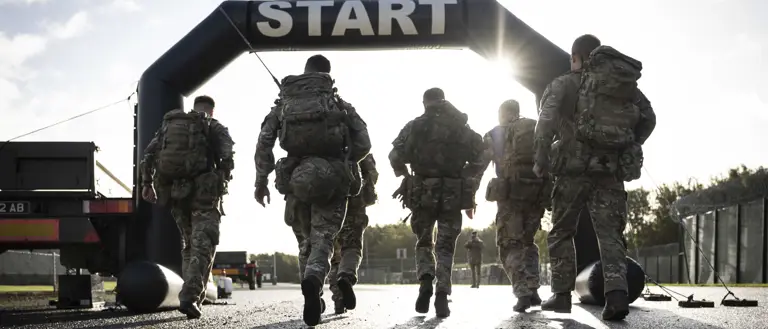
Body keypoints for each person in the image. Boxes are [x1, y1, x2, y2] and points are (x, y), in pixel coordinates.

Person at [533, 34, 656, 321]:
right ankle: (616, 295)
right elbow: (649, 118)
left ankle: (561, 295)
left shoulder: (564, 83)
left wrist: (540, 160)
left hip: (571, 172)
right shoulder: (624, 89)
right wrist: (629, 144)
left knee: (563, 231)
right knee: (610, 234)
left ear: (576, 57)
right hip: (609, 171)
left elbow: (545, 121)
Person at [254, 54, 371, 327]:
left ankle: (313, 294)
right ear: (327, 75)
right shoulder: (338, 103)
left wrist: (261, 180)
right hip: (332, 180)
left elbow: (264, 143)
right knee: (324, 239)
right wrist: (345, 161)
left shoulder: (284, 104)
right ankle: (315, 279)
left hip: (295, 180)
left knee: (304, 241)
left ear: (305, 72)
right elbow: (364, 142)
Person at [390, 87, 485, 318]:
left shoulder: (414, 126)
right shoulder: (461, 128)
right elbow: (482, 154)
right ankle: (442, 293)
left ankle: (425, 281)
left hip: (423, 191)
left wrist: (404, 175)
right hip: (453, 192)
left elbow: (394, 155)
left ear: (425, 103)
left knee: (424, 242)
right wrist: (466, 174)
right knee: (445, 246)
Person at [139, 95, 235, 319]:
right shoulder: (212, 126)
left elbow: (148, 155)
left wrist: (146, 183)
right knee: (204, 244)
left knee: (189, 245)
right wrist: (221, 178)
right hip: (204, 195)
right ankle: (190, 296)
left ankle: (190, 293)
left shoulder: (169, 126)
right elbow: (228, 155)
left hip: (176, 194)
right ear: (211, 110)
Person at [476, 99, 549, 312]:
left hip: (510, 197)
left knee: (509, 245)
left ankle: (522, 292)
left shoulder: (496, 133)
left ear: (503, 114)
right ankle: (534, 288)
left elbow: (479, 164)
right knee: (528, 242)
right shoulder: (537, 129)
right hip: (536, 194)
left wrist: (469, 196)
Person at [328, 153, 378, 314]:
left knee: (334, 257)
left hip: (328, 205)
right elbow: (371, 173)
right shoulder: (357, 140)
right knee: (352, 248)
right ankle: (346, 276)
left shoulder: (322, 138)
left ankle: (338, 299)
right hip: (354, 204)